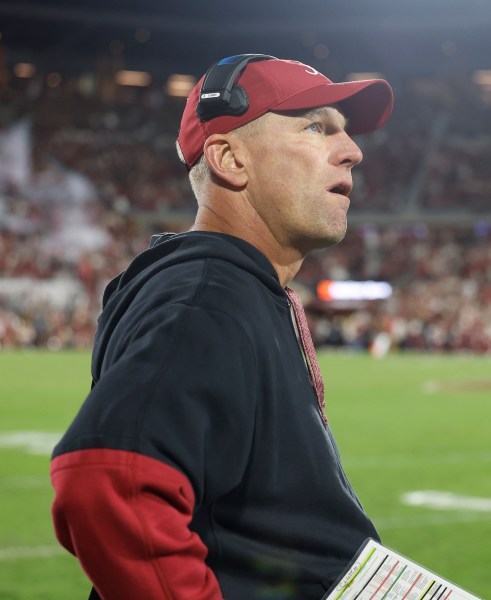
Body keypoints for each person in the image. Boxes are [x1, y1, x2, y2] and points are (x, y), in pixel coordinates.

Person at [50, 54, 394, 599]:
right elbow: (109, 481)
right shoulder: (209, 297)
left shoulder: (233, 289)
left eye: (345, 132)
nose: (353, 151)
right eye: (316, 127)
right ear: (230, 159)